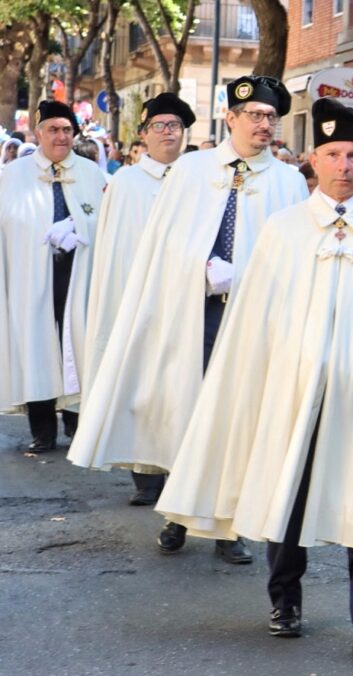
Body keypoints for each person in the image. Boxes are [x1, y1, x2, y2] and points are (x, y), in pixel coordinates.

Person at [156, 97, 353, 653]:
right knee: (291, 494)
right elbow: (258, 319)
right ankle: (286, 600)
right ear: (313, 161)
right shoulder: (283, 230)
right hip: (294, 390)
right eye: (332, 154)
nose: (344, 166)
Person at [67, 76, 306, 563]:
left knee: (236, 418)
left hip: (253, 320)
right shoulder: (193, 170)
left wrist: (253, 276)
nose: (264, 125)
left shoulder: (288, 180)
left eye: (271, 117)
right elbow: (163, 243)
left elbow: (297, 254)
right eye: (255, 115)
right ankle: (177, 514)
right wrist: (199, 264)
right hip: (193, 312)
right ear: (231, 119)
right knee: (188, 413)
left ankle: (227, 528)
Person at [80, 93, 196, 506]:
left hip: (185, 300)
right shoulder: (125, 184)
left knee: (179, 387)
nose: (168, 133)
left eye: (175, 126)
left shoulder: (197, 179)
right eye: (159, 126)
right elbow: (113, 250)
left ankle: (181, 469)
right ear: (143, 135)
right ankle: (145, 476)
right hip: (135, 297)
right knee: (138, 386)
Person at [0, 101, 106, 449]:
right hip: (31, 277)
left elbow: (105, 223)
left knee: (77, 344)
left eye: (67, 130)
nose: (61, 137)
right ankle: (42, 430)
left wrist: (79, 226)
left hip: (79, 275)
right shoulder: (13, 176)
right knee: (37, 346)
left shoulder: (91, 174)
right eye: (53, 130)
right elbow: (9, 225)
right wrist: (42, 233)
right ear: (38, 132)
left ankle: (77, 426)